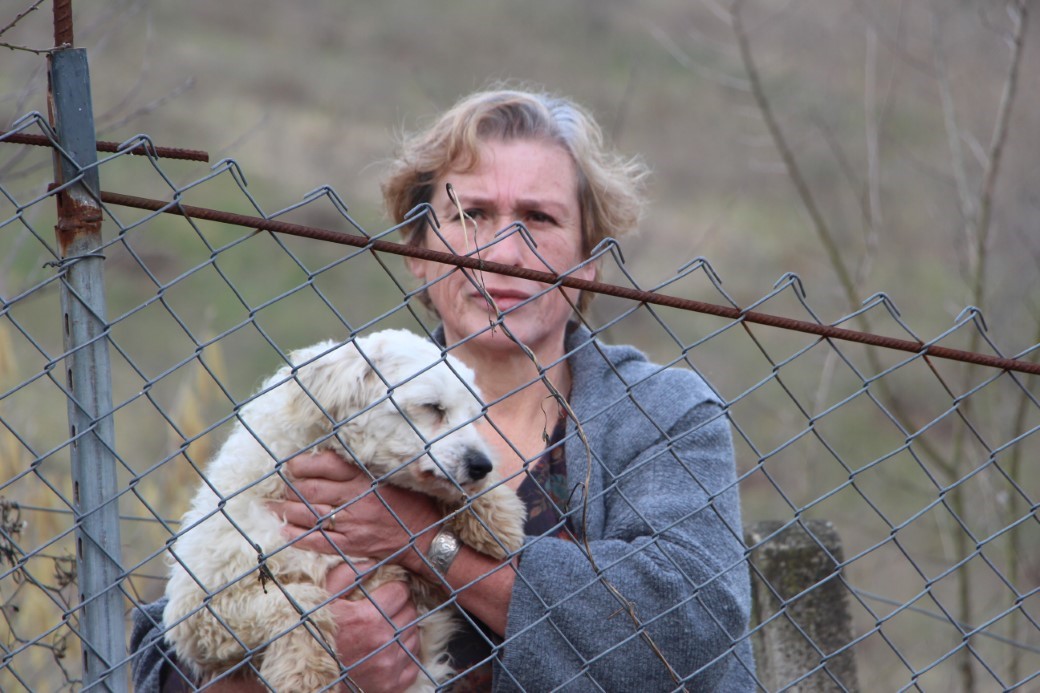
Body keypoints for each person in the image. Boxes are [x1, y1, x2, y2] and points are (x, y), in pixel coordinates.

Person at [131, 87, 755, 691]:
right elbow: (176, 647)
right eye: (472, 214)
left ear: (589, 259)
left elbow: (686, 633)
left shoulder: (662, 414)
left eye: (540, 218)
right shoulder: (335, 403)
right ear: (419, 251)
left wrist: (420, 539)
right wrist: (326, 656)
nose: (506, 253)